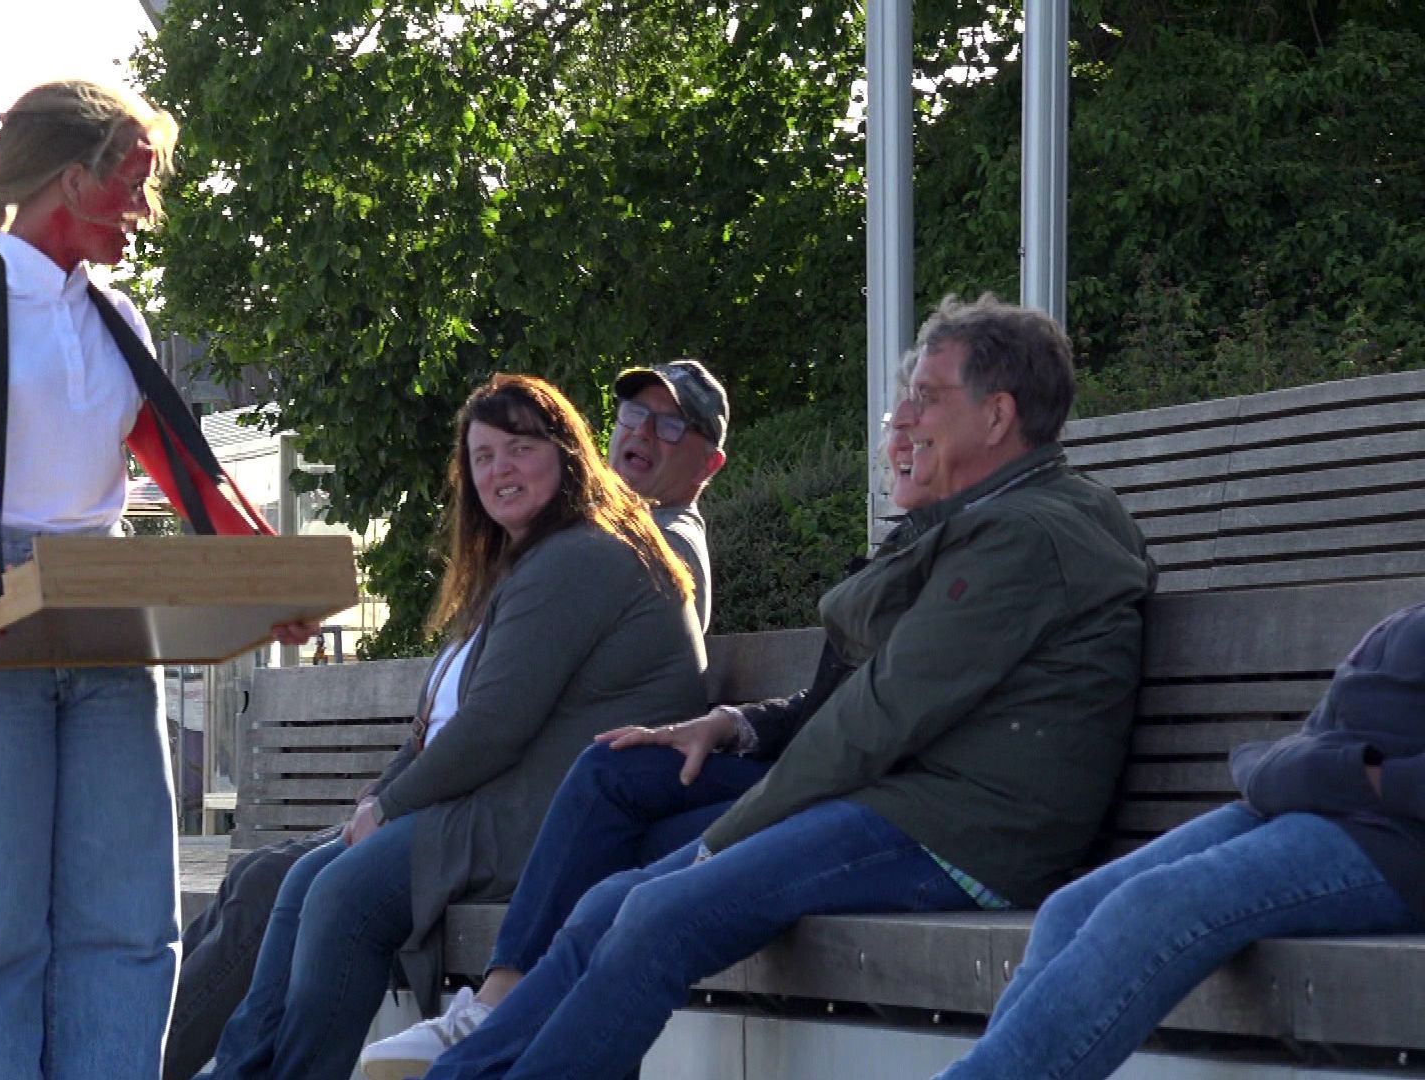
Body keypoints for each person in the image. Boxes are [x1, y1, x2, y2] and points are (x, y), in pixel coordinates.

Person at [409, 294, 1155, 1080]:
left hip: (967, 834)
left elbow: (876, 717)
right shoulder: (987, 519)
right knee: (609, 905)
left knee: (658, 914)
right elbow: (860, 703)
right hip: (907, 799)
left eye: (925, 398)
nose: (900, 418)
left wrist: (726, 839)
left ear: (997, 415)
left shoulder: (1027, 537)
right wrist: (739, 730)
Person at [0, 79, 311, 1080]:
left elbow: (190, 477)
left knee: (129, 923)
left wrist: (269, 575)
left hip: (107, 616)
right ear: (73, 179)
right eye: (133, 184)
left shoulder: (120, 322)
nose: (144, 212)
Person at [162, 361, 732, 1080]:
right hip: (513, 801)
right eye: (483, 456)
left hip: (563, 823)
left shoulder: (587, 554)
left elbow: (494, 724)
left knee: (339, 892)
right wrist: (378, 802)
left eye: (521, 449)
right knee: (303, 877)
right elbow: (442, 727)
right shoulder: (539, 559)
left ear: (566, 451)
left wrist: (392, 804)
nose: (500, 471)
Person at [934, 601, 1425, 1080]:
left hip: (1393, 839)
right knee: (1070, 909)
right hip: (1313, 801)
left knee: (1153, 906)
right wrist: (1296, 769)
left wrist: (1360, 776)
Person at [607, 360, 728, 630]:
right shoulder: (606, 527)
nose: (642, 431)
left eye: (671, 426)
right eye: (636, 412)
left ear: (708, 465)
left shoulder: (665, 545)